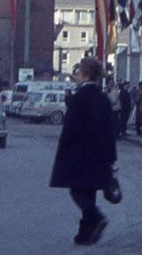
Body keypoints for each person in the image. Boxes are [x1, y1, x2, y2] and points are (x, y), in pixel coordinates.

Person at [49, 57, 118, 244]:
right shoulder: (103, 99)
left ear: (86, 76)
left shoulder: (78, 98)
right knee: (89, 190)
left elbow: (70, 128)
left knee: (76, 190)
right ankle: (85, 233)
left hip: (79, 152)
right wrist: (111, 156)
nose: (75, 77)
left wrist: (64, 150)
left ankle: (95, 217)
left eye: (77, 73)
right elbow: (110, 128)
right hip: (99, 153)